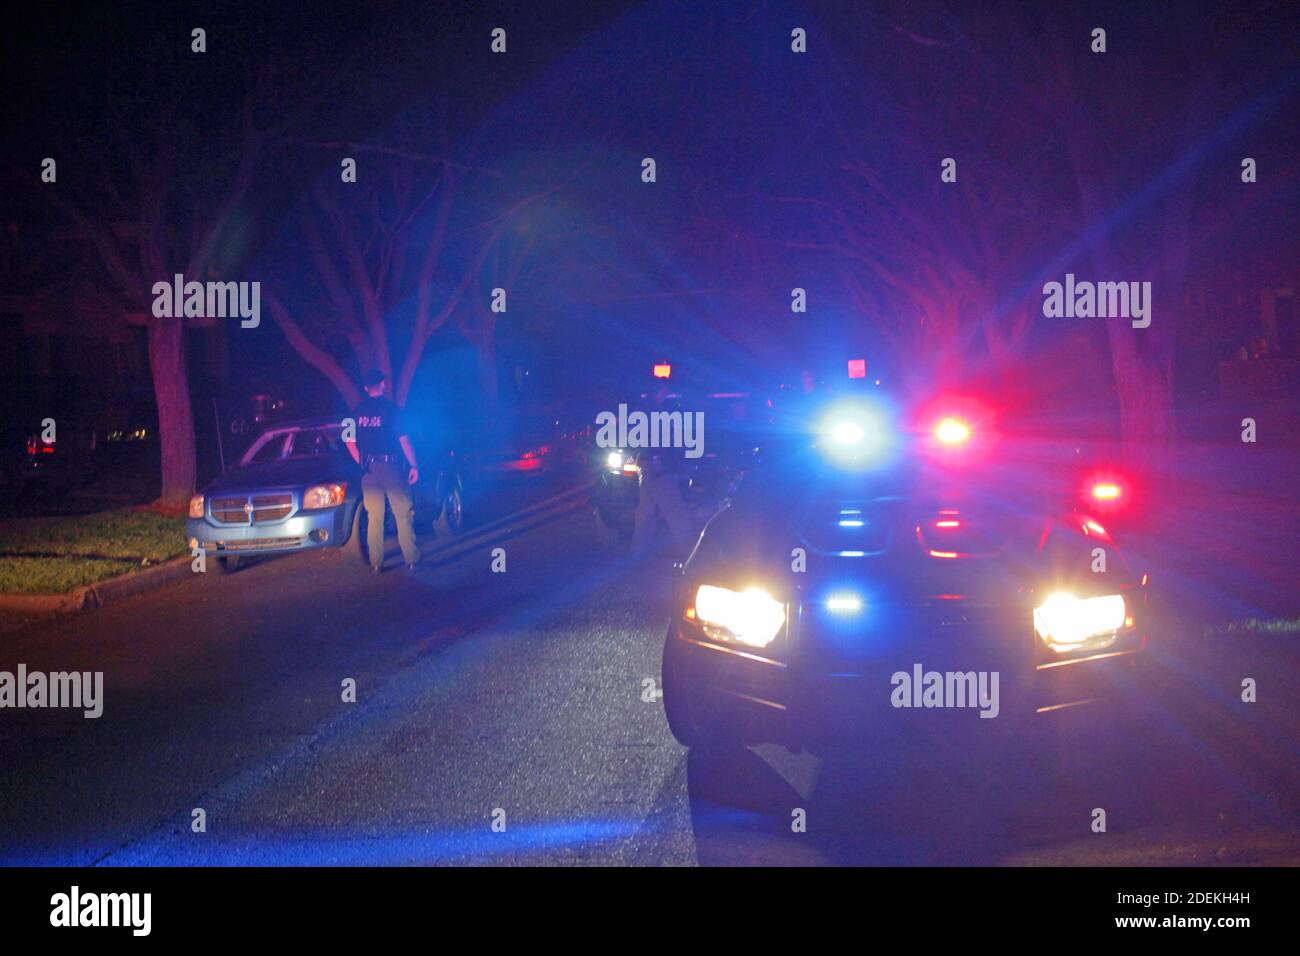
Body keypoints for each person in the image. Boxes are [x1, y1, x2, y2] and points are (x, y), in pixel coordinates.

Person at [344, 370, 420, 572]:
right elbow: (405, 441)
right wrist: (414, 465)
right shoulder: (393, 410)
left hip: (368, 469)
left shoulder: (354, 412)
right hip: (391, 467)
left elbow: (348, 440)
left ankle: (376, 563)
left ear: (366, 388)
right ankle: (411, 559)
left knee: (374, 517)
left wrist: (361, 461)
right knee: (402, 512)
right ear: (383, 385)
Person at [630, 384, 693, 557]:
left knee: (646, 513)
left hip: (646, 467)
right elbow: (659, 441)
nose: (666, 393)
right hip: (657, 469)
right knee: (677, 513)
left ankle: (637, 552)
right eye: (665, 390)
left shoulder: (643, 409)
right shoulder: (654, 411)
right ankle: (690, 554)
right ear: (660, 391)